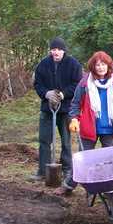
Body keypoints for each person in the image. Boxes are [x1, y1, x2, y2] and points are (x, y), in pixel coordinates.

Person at [54, 51, 113, 196]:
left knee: (110, 161)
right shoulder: (84, 83)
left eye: (103, 64)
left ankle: (108, 188)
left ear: (108, 66)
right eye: (97, 65)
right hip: (88, 128)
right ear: (93, 66)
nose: (101, 67)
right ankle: (68, 185)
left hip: (110, 128)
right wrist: (74, 119)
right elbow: (75, 104)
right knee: (82, 159)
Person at [32, 37, 82, 182]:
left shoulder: (73, 64)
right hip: (47, 108)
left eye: (59, 49)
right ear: (50, 51)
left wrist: (62, 94)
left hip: (66, 109)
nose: (56, 52)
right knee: (44, 140)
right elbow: (38, 83)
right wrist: (46, 94)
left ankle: (67, 170)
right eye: (53, 49)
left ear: (63, 50)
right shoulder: (43, 64)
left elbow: (77, 84)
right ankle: (43, 171)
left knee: (66, 141)